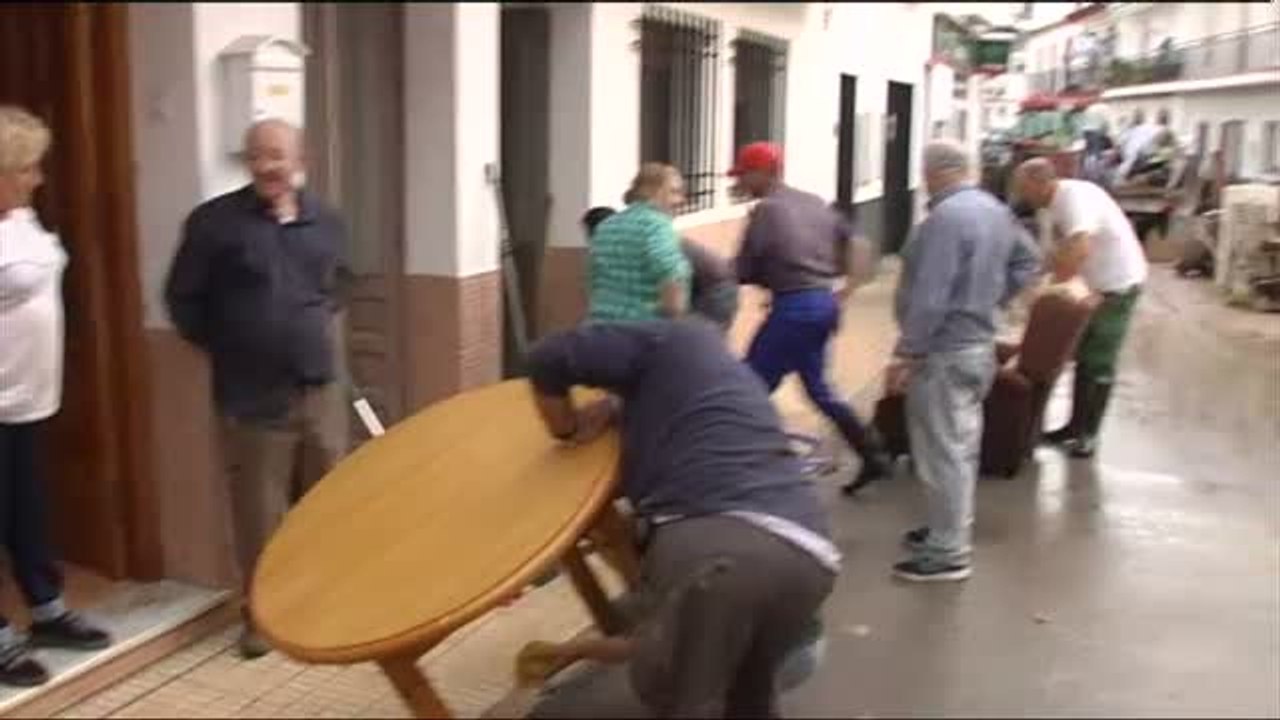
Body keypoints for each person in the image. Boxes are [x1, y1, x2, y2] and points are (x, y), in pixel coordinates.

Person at [524, 318, 838, 718]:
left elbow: (547, 357)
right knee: (743, 698)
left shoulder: (664, 339)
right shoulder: (715, 386)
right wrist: (574, 651)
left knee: (677, 692)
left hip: (721, 550)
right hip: (810, 556)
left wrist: (566, 430)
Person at [164, 118, 350, 660]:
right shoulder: (213, 223)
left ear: (300, 159)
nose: (268, 166)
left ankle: (322, 604)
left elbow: (340, 283)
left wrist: (310, 330)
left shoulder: (326, 220)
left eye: (277, 155)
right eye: (258, 156)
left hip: (319, 390)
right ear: (247, 162)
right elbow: (183, 301)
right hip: (252, 397)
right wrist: (235, 345)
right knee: (259, 515)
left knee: (327, 505)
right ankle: (263, 618)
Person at [887, 141, 1042, 582]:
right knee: (959, 447)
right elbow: (1028, 261)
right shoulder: (994, 210)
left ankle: (948, 551)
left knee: (943, 452)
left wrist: (908, 352)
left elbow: (931, 294)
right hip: (977, 344)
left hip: (945, 350)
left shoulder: (946, 219)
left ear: (932, 172)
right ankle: (945, 527)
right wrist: (990, 300)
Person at [0, 105, 112, 688]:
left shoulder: (22, 219)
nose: (39, 178)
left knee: (29, 511)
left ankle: (46, 611)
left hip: (30, 400)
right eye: (27, 169)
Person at [730, 141, 891, 494]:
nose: (741, 183)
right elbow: (862, 247)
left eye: (745, 175)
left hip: (793, 309)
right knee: (819, 389)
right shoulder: (815, 203)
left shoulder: (767, 210)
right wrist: (846, 290)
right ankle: (873, 454)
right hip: (821, 304)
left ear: (764, 173)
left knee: (747, 387)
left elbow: (743, 269)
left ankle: (745, 469)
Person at [1014, 158, 1147, 459]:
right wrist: (1042, 277)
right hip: (1097, 283)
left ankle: (1089, 435)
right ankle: (1073, 427)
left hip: (1118, 284)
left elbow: (1080, 247)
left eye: (1024, 188)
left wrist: (1051, 290)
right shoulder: (1053, 204)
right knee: (1082, 355)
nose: (1022, 195)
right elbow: (1060, 252)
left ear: (1040, 183)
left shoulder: (1074, 199)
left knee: (1098, 358)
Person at [582, 206, 739, 331]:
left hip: (716, 290)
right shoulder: (620, 245)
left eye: (590, 234)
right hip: (697, 286)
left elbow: (673, 282)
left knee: (695, 346)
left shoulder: (643, 240)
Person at [587, 164, 691, 323]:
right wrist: (676, 322)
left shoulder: (606, 226)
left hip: (601, 327)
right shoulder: (656, 225)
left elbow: (593, 280)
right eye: (674, 192)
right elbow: (672, 275)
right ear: (654, 191)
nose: (681, 200)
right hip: (643, 329)